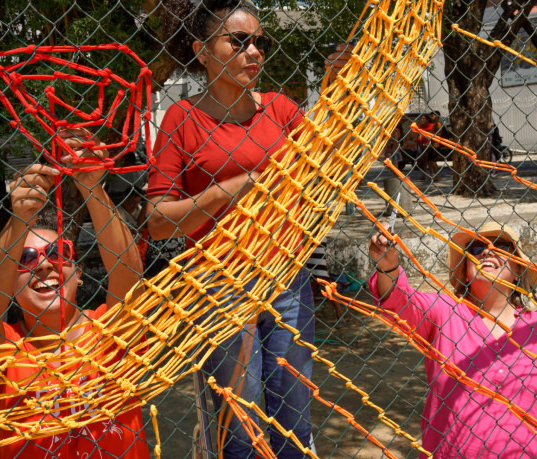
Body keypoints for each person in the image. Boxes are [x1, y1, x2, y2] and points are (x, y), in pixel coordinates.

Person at [147, 1, 352, 457]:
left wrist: (339, 91)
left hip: (286, 276)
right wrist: (229, 190)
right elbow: (158, 221)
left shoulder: (280, 110)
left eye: (260, 41)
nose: (253, 51)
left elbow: (327, 159)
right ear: (202, 50)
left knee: (294, 418)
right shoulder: (182, 118)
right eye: (238, 41)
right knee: (238, 427)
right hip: (220, 283)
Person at [0, 128, 149, 459]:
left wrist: (92, 186)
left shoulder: (108, 330)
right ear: (10, 288)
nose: (44, 265)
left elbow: (129, 275)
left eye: (58, 253)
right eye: (25, 259)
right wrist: (17, 221)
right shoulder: (5, 352)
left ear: (77, 275)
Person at [367, 222, 537, 458]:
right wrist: (388, 266)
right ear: (465, 269)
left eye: (501, 246)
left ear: (517, 271)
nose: (487, 251)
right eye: (475, 247)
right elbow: (398, 300)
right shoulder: (444, 312)